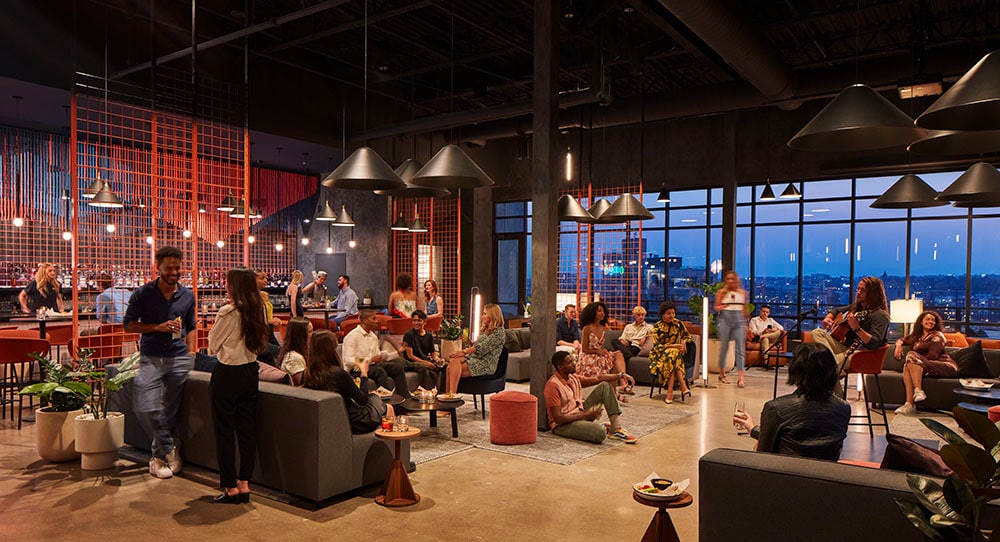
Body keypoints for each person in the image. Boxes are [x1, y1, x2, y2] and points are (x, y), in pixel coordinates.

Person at [123, 246, 196, 479]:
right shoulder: (143, 294)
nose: (174, 272)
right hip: (151, 356)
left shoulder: (187, 296)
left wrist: (191, 352)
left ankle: (157, 459)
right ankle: (170, 447)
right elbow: (128, 325)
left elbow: (191, 326)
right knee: (145, 406)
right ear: (158, 267)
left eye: (177, 267)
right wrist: (157, 327)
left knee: (169, 409)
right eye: (169, 268)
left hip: (179, 357)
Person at [207, 268, 269, 504]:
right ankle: (245, 483)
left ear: (234, 286)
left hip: (227, 374)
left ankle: (230, 487)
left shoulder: (228, 312)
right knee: (247, 431)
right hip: (250, 372)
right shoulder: (258, 309)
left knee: (224, 431)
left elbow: (212, 345)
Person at [732, 343, 851, 461]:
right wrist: (753, 429)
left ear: (796, 369)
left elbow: (764, 455)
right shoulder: (844, 408)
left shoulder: (776, 408)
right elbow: (804, 439)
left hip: (787, 472)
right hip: (826, 472)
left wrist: (758, 444)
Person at [303, 330, 394, 434]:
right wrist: (364, 373)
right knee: (386, 406)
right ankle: (394, 441)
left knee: (374, 397)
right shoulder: (338, 374)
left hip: (329, 419)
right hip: (355, 421)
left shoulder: (308, 374)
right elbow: (363, 400)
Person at [544, 350, 637, 444]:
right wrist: (585, 415)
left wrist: (621, 375)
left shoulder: (573, 378)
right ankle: (600, 427)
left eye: (573, 361)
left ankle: (616, 428)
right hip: (562, 425)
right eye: (569, 362)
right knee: (600, 433)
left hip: (578, 412)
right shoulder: (553, 385)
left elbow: (598, 378)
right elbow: (558, 418)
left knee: (604, 386)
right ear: (560, 367)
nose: (574, 364)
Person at [814, 276, 890, 375]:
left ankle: (832, 365)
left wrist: (856, 328)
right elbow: (836, 310)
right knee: (817, 332)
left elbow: (875, 343)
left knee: (820, 364)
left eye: (862, 290)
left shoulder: (880, 315)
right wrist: (828, 318)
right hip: (846, 347)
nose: (858, 292)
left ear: (872, 293)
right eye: (858, 289)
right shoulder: (855, 307)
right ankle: (833, 364)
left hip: (862, 353)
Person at [893, 311, 956, 415]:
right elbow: (902, 339)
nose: (930, 322)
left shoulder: (938, 335)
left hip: (943, 365)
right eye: (927, 319)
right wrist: (898, 345)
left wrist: (916, 362)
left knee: (911, 356)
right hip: (926, 365)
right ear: (921, 322)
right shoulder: (917, 336)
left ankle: (918, 390)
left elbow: (934, 355)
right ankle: (909, 405)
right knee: (907, 365)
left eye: (933, 320)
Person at [342, 309, 411, 397]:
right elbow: (348, 360)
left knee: (397, 368)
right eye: (374, 318)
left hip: (373, 365)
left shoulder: (373, 336)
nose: (377, 321)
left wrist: (397, 352)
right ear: (365, 320)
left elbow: (378, 357)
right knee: (379, 371)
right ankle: (386, 400)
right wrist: (370, 360)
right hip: (356, 369)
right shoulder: (352, 336)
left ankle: (404, 397)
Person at [445, 304, 507, 394]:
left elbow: (482, 347)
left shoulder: (499, 332)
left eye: (485, 314)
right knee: (454, 361)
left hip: (486, 363)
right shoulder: (485, 330)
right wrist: (468, 341)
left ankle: (451, 395)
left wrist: (463, 352)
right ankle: (449, 396)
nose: (482, 316)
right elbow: (477, 345)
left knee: (451, 368)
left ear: (492, 315)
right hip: (474, 358)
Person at [576, 301, 634, 399]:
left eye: (603, 311)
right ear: (592, 313)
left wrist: (603, 351)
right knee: (612, 361)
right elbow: (584, 348)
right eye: (599, 311)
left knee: (618, 354)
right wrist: (597, 351)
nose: (602, 313)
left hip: (599, 354)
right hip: (588, 356)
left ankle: (621, 383)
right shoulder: (587, 328)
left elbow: (600, 346)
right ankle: (616, 389)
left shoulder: (603, 327)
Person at [648, 302, 692, 404]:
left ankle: (670, 392)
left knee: (673, 355)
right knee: (673, 353)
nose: (671, 316)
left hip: (673, 356)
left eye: (673, 313)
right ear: (662, 314)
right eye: (668, 313)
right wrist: (674, 346)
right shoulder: (657, 326)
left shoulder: (678, 323)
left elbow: (687, 336)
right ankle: (682, 385)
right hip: (659, 355)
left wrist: (684, 342)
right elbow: (657, 346)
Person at [715, 270, 749, 387]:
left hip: (739, 321)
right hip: (725, 320)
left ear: (736, 280)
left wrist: (746, 324)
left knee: (740, 349)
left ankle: (741, 377)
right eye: (728, 279)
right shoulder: (721, 292)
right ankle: (722, 374)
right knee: (724, 347)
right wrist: (722, 306)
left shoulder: (743, 293)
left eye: (732, 279)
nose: (730, 281)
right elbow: (716, 307)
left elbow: (745, 310)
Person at [400, 310, 443, 389]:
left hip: (425, 360)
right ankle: (427, 390)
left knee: (444, 366)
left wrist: (438, 360)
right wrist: (426, 363)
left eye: (419, 320)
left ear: (424, 322)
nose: (416, 323)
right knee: (424, 367)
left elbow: (433, 354)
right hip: (412, 362)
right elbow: (410, 356)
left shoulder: (429, 335)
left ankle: (442, 391)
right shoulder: (408, 335)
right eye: (414, 320)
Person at [277, 317, 311, 386]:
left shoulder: (303, 351)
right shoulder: (293, 358)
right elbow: (300, 385)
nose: (313, 334)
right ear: (300, 336)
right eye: (310, 331)